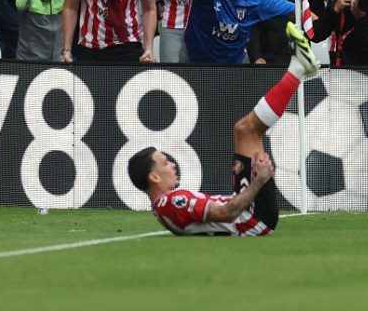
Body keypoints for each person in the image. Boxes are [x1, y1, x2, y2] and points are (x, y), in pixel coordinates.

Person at [128, 22, 320, 236]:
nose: (172, 164)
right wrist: (259, 181)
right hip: (253, 217)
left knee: (245, 129)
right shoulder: (170, 202)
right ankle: (298, 68)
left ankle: (298, 68)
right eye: (164, 162)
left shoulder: (166, 206)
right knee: (247, 129)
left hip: (250, 212)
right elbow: (226, 213)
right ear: (154, 177)